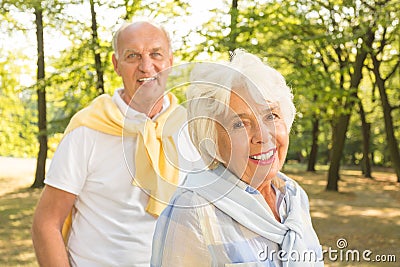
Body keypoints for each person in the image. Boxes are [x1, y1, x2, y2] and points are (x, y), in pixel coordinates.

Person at [31, 20, 202, 266]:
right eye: (132, 56)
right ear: (116, 65)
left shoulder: (191, 129)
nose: (146, 66)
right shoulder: (87, 129)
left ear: (170, 62)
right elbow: (45, 223)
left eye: (156, 54)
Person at [151, 49, 324, 267]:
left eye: (271, 116)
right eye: (239, 124)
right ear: (211, 139)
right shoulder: (191, 210)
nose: (262, 136)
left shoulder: (294, 196)